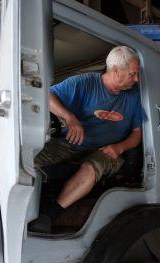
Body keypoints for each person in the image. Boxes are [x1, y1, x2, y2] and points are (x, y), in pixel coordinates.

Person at [30, 45, 144, 233]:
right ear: (116, 71)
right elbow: (45, 96)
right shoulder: (83, 83)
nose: (136, 79)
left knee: (92, 168)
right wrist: (70, 117)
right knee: (26, 160)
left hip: (106, 149)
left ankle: (49, 215)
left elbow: (137, 134)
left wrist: (120, 147)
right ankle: (25, 212)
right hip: (69, 144)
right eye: (132, 74)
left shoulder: (134, 97)